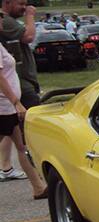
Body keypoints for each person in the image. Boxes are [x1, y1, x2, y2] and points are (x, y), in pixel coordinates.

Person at [0, 12, 45, 198]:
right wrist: (16, 102)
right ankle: (38, 187)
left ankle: (38, 188)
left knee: (20, 146)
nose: (2, 20)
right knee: (20, 146)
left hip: (7, 106)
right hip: (3, 106)